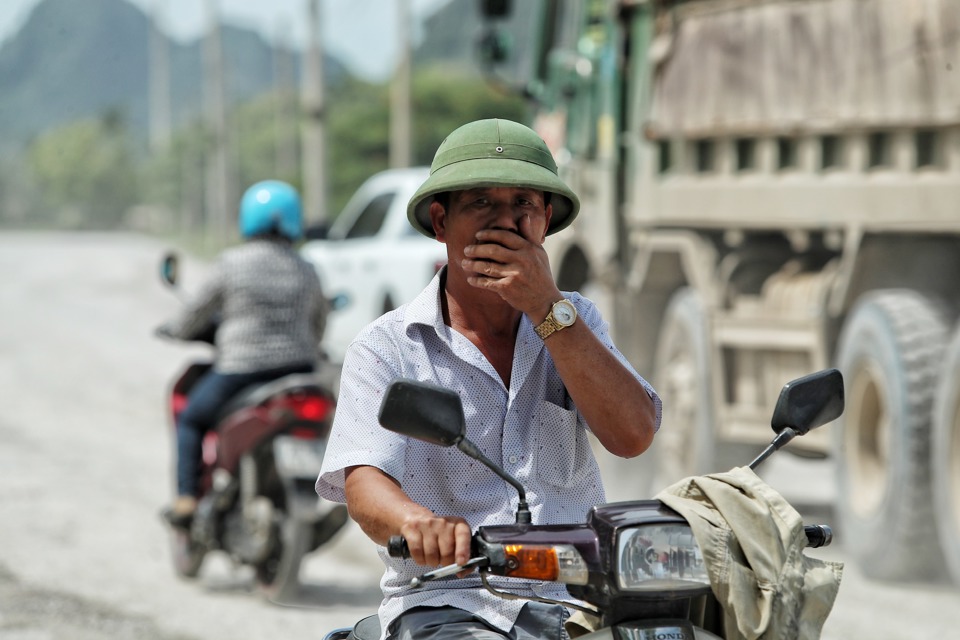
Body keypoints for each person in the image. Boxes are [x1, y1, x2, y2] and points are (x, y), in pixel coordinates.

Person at [316, 119, 661, 640]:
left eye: (523, 204)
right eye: (481, 204)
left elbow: (633, 435)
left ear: (545, 220)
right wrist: (416, 525)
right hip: (451, 598)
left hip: (582, 601)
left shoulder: (576, 320)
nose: (505, 223)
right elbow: (364, 481)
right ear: (440, 221)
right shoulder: (387, 346)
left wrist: (547, 308)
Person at [159, 180, 329, 527]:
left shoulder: (231, 264)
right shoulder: (307, 269)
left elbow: (196, 312)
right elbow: (319, 322)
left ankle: (187, 499)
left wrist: (176, 330)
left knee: (191, 419)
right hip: (299, 370)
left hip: (242, 370)